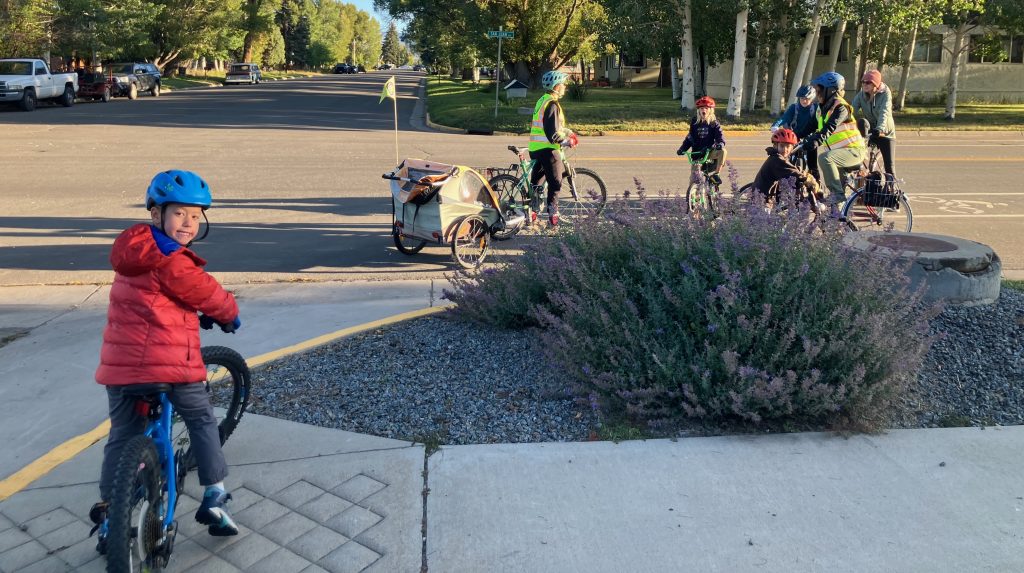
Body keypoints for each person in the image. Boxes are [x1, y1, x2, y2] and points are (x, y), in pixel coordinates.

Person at [90, 170, 242, 549]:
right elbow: (209, 294)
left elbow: (159, 295)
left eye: (195, 215)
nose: (188, 223)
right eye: (179, 214)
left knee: (122, 435)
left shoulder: (133, 251)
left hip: (120, 370)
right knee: (202, 419)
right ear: (156, 215)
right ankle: (214, 497)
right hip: (171, 369)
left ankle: (110, 511)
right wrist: (229, 314)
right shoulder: (172, 260)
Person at [796, 71, 865, 207]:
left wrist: (815, 141)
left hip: (853, 152)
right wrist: (792, 137)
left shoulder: (840, 108)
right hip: (839, 155)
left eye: (820, 89)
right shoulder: (822, 110)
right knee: (835, 206)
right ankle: (839, 225)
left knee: (824, 158)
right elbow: (808, 128)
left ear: (830, 90)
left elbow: (828, 129)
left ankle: (837, 196)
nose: (817, 92)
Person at [528, 70, 576, 227]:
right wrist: (566, 142)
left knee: (537, 183)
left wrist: (568, 132)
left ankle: (532, 212)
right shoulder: (552, 104)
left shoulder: (542, 100)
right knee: (555, 182)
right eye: (563, 84)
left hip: (536, 148)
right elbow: (552, 133)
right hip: (548, 149)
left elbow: (551, 125)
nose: (565, 87)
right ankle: (553, 215)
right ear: (556, 86)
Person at [751, 128, 822, 209]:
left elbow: (791, 168)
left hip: (769, 195)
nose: (785, 149)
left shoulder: (778, 157)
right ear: (775, 146)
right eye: (782, 146)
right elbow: (792, 172)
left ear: (792, 147)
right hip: (762, 200)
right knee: (769, 220)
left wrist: (802, 172)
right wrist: (809, 181)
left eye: (788, 146)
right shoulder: (777, 160)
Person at [851, 69, 896, 176]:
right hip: (871, 129)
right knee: (858, 159)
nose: (864, 85)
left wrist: (880, 128)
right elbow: (851, 110)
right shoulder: (861, 95)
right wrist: (841, 123)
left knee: (889, 167)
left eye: (868, 82)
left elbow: (884, 112)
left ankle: (891, 189)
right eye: (863, 82)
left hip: (885, 132)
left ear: (875, 83)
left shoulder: (885, 94)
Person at [772, 85, 820, 181]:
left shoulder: (816, 108)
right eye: (802, 98)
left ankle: (817, 187)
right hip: (794, 137)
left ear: (812, 98)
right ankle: (787, 182)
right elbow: (784, 118)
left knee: (812, 163)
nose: (804, 101)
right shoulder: (794, 108)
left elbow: (821, 122)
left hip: (810, 137)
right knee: (788, 161)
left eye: (807, 99)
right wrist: (775, 125)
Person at [676, 96, 727, 185]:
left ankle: (716, 174)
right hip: (697, 155)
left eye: (706, 108)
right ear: (698, 110)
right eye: (702, 108)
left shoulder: (714, 124)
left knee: (723, 151)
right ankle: (694, 196)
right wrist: (682, 149)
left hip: (709, 153)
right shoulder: (695, 123)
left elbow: (720, 137)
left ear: (710, 110)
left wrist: (720, 144)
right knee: (694, 180)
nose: (704, 110)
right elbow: (690, 138)